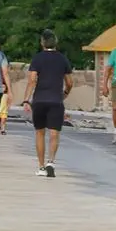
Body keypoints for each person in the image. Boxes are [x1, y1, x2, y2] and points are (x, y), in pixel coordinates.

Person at [22, 30, 73, 177]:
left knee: (39, 133)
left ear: (42, 43)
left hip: (39, 100)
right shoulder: (63, 59)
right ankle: (51, 161)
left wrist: (26, 99)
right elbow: (69, 82)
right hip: (56, 100)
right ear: (55, 42)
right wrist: (65, 93)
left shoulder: (37, 59)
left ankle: (41, 167)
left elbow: (32, 80)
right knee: (54, 133)